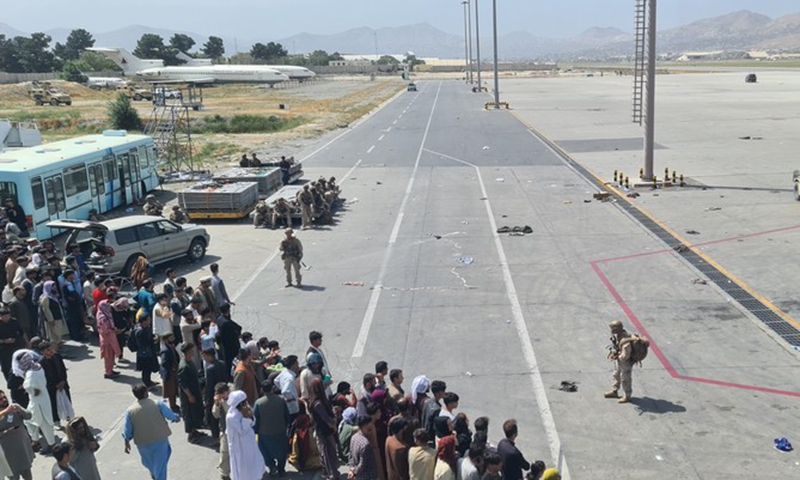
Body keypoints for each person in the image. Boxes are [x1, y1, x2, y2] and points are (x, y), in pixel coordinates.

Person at [122, 384, 181, 480]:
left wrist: (126, 442)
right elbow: (170, 415)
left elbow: (127, 430)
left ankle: (154, 474)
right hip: (160, 439)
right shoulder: (157, 404)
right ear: (146, 393)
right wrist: (176, 417)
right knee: (161, 465)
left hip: (142, 443)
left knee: (149, 463)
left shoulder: (130, 411)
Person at [13, 349, 55, 453]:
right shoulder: (37, 367)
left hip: (37, 402)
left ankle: (51, 445)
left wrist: (32, 391)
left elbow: (28, 386)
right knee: (30, 421)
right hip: (42, 399)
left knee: (43, 423)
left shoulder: (31, 373)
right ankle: (35, 441)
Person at [226, 390, 266, 480]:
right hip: (239, 446)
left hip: (249, 441)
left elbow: (253, 423)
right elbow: (241, 431)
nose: (246, 404)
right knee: (243, 467)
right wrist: (245, 417)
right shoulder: (231, 416)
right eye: (243, 402)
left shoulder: (245, 409)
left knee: (253, 462)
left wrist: (250, 415)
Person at [253, 379, 290, 476]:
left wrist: (255, 431)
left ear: (262, 390)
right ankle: (281, 469)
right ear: (273, 388)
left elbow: (256, 420)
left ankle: (272, 467)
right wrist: (286, 426)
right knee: (281, 451)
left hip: (264, 433)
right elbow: (287, 415)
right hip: (280, 430)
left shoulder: (258, 403)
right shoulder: (281, 400)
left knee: (265, 451)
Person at [0, 388, 35, 480]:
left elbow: (29, 416)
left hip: (22, 450)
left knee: (28, 476)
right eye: (0, 399)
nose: (4, 400)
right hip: (9, 455)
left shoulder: (14, 407)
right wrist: (7, 432)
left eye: (4, 397)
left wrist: (20, 410)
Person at [308, 378, 339, 480]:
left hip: (322, 430)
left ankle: (329, 473)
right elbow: (327, 419)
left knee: (326, 454)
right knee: (329, 455)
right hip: (325, 432)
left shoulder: (314, 400)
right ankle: (332, 475)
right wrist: (334, 420)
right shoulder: (318, 404)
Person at [178, 343, 206, 443]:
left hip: (195, 390)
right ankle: (191, 435)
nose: (193, 352)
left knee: (195, 412)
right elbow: (183, 384)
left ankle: (194, 431)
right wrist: (190, 396)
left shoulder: (190, 362)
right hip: (188, 395)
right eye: (191, 350)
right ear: (188, 352)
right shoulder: (184, 366)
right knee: (189, 413)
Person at [39, 341, 71, 427]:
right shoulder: (41, 363)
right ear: (43, 352)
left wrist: (63, 381)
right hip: (52, 387)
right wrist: (54, 386)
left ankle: (69, 418)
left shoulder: (57, 357)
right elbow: (43, 378)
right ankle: (56, 421)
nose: (51, 351)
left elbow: (63, 370)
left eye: (51, 348)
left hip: (62, 383)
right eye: (48, 350)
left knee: (67, 401)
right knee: (54, 404)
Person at [604, 320, 633, 403]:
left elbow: (625, 356)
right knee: (616, 375)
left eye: (612, 328)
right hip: (619, 361)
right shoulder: (618, 336)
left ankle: (627, 395)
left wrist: (618, 356)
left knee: (625, 378)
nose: (611, 330)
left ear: (616, 329)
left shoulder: (625, 341)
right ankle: (614, 391)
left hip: (625, 363)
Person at [203, 348, 227, 439]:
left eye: (205, 356)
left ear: (209, 356)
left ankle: (216, 437)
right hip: (224, 393)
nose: (204, 358)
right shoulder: (222, 363)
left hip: (215, 395)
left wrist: (207, 398)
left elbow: (209, 386)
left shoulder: (210, 369)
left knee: (214, 417)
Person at [96, 297, 121, 379]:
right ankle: (108, 372)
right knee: (108, 357)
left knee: (112, 355)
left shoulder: (106, 314)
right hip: (107, 339)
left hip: (110, 338)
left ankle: (110, 370)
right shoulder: (102, 317)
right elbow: (104, 330)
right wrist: (113, 330)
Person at [349, 415, 379, 480]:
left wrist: (351, 469)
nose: (372, 425)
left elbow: (350, 455)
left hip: (358, 476)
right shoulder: (366, 444)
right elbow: (363, 464)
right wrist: (354, 472)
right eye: (370, 423)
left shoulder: (354, 437)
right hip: (368, 476)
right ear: (366, 425)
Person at [212, 383, 232, 480]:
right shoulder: (219, 401)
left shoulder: (234, 397)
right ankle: (224, 474)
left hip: (236, 431)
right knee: (224, 453)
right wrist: (217, 404)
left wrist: (223, 402)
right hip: (225, 430)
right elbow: (215, 415)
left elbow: (230, 413)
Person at [134, 314, 159, 388]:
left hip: (148, 352)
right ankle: (146, 384)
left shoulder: (146, 328)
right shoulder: (140, 331)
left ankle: (148, 381)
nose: (150, 321)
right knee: (146, 369)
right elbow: (144, 343)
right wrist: (154, 340)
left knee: (149, 368)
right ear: (144, 321)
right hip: (144, 353)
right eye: (148, 319)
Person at [159, 332, 179, 411]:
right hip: (170, 373)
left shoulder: (170, 347)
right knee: (171, 391)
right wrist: (171, 369)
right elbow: (164, 363)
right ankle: (172, 406)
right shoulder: (165, 350)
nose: (173, 339)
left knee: (174, 389)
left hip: (173, 371)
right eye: (171, 338)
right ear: (166, 340)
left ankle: (174, 404)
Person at [276, 355, 300, 422]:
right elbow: (285, 391)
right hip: (292, 408)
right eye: (297, 364)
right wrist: (292, 398)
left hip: (286, 406)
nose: (298, 366)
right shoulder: (290, 378)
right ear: (293, 365)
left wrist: (281, 386)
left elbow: (276, 381)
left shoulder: (284, 371)